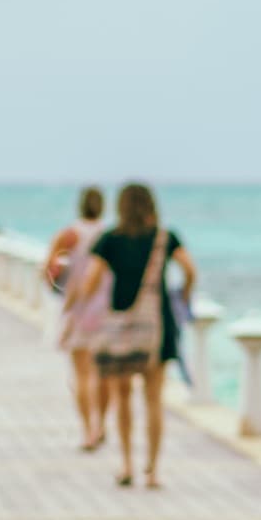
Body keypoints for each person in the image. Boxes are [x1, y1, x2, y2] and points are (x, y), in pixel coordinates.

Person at [88, 182, 198, 488]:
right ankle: (152, 470)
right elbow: (190, 270)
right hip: (157, 327)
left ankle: (126, 465)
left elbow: (91, 281)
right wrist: (184, 297)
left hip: (121, 326)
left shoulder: (110, 239)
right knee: (153, 400)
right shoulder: (165, 237)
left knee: (123, 397)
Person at [44, 186, 109, 448]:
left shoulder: (68, 235)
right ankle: (102, 423)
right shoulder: (109, 235)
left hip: (77, 309)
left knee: (81, 375)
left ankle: (87, 431)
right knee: (102, 374)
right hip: (106, 311)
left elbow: (48, 270)